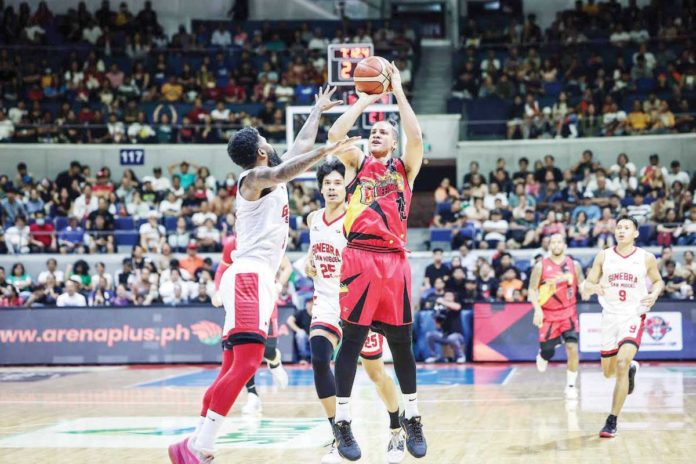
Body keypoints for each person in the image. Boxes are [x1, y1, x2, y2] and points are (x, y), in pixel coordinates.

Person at [168, 86, 354, 463]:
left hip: (258, 279)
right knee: (250, 362)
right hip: (250, 276)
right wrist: (327, 152)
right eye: (266, 141)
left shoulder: (270, 175)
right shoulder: (251, 180)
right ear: (259, 152)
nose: (272, 143)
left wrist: (317, 110)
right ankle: (200, 445)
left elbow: (297, 149)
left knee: (232, 366)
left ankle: (193, 442)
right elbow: (290, 166)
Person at [327, 62, 426, 460]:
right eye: (373, 131)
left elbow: (415, 135)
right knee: (351, 341)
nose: (376, 133)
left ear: (394, 140)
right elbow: (336, 134)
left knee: (402, 342)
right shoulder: (357, 165)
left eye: (384, 130)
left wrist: (397, 91)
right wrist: (366, 98)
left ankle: (413, 416)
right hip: (359, 256)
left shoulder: (405, 167)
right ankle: (344, 424)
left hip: (394, 261)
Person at [304, 160, 407, 463]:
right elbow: (314, 253)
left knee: (376, 373)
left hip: (358, 303)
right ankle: (339, 435)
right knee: (320, 359)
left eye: (338, 182)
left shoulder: (358, 217)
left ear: (346, 187)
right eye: (328, 183)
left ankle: (396, 429)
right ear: (321, 188)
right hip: (325, 301)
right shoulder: (313, 218)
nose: (333, 187)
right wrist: (309, 262)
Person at [581, 216, 664, 438]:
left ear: (636, 233)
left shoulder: (646, 258)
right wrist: (594, 287)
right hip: (610, 317)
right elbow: (588, 283)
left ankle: (611, 421)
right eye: (619, 227)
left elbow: (658, 281)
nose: (621, 230)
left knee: (621, 363)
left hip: (633, 316)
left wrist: (654, 294)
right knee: (608, 373)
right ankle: (632, 371)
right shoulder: (604, 255)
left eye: (627, 227)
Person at [211, 237, 291, 416]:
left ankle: (274, 360)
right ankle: (253, 396)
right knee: (244, 355)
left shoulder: (266, 237)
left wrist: (278, 286)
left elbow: (287, 267)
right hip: (241, 302)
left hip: (266, 300)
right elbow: (221, 270)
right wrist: (218, 292)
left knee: (267, 350)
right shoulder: (232, 243)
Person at [528, 234, 585, 400]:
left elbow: (582, 284)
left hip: (569, 313)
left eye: (559, 241)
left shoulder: (574, 265)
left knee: (572, 348)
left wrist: (589, 289)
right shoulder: (540, 266)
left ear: (565, 245)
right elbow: (532, 289)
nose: (556, 244)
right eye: (553, 242)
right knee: (548, 351)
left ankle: (571, 386)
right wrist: (537, 310)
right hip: (548, 315)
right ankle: (543, 355)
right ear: (548, 246)